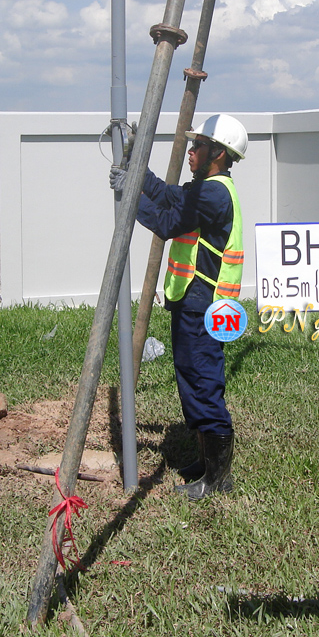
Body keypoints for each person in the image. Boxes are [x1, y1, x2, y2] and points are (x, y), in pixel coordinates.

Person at [111, 114, 247, 500]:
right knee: (192, 380)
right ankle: (206, 465)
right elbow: (172, 197)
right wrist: (138, 170)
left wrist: (130, 198)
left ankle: (219, 478)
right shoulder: (209, 187)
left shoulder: (214, 194)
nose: (191, 151)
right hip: (194, 302)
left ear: (218, 154)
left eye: (198, 146)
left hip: (206, 307)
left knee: (204, 386)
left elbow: (169, 221)